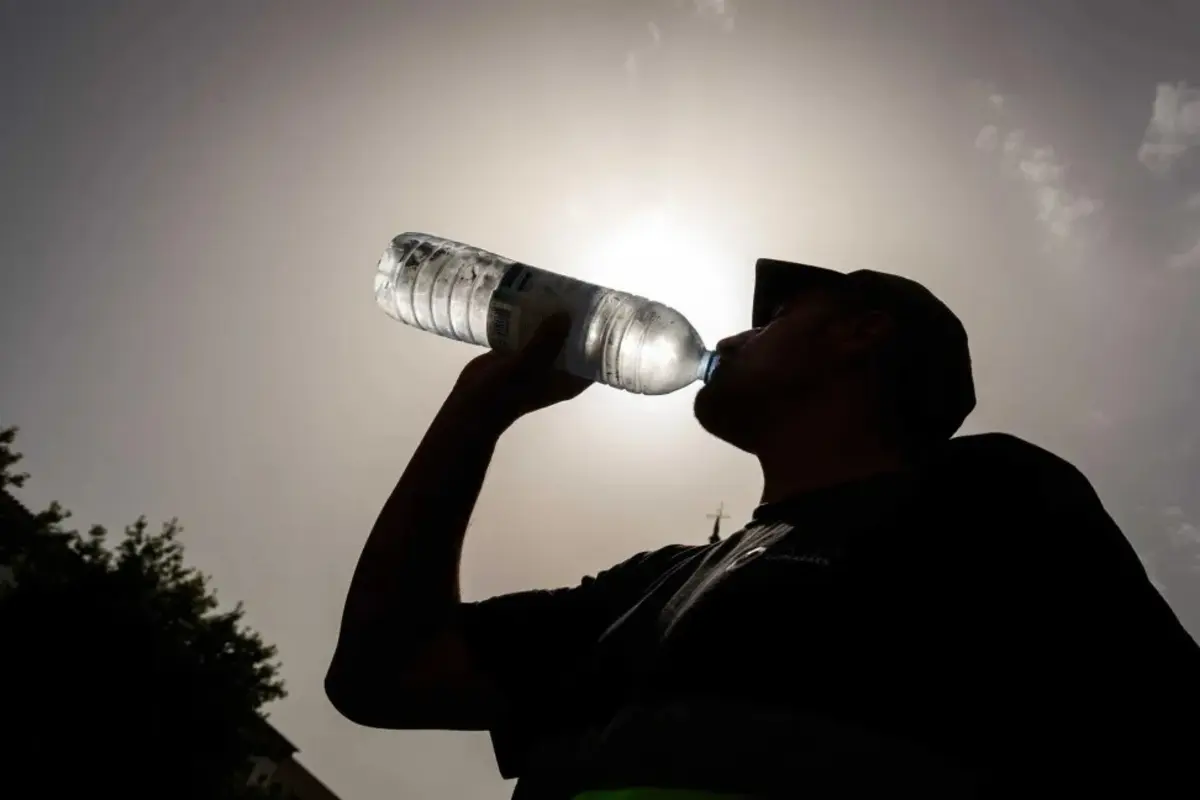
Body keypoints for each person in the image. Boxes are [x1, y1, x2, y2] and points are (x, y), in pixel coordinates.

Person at [326, 258, 1200, 798]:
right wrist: (476, 413)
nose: (739, 335)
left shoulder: (989, 496)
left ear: (864, 332)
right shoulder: (653, 586)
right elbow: (385, 677)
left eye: (777, 317)